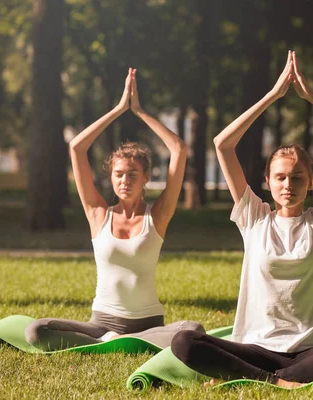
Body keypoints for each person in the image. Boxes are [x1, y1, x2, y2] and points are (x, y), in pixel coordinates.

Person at [170, 51, 313, 388]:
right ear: (267, 181)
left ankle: (261, 380)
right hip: (256, 347)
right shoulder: (253, 218)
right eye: (280, 177)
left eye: (297, 178)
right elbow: (222, 144)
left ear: (310, 182)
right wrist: (273, 95)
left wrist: (312, 98)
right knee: (184, 342)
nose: (288, 185)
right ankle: (282, 381)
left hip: (311, 349)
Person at [25, 68, 204, 351]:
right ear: (111, 176)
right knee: (37, 331)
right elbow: (76, 147)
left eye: (133, 173)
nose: (125, 180)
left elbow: (179, 149)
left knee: (192, 330)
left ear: (146, 177)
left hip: (149, 323)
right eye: (119, 174)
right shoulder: (98, 213)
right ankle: (117, 342)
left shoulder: (157, 216)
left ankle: (113, 344)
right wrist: (119, 109)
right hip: (100, 323)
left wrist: (140, 111)